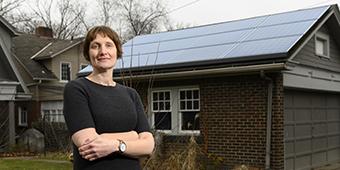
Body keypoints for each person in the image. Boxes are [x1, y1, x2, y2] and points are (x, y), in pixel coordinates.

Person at [63, 26, 154, 170]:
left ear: (117, 51)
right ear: (88, 53)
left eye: (109, 45)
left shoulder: (131, 94)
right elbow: (89, 144)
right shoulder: (77, 89)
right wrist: (134, 135)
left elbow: (148, 145)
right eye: (95, 46)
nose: (103, 52)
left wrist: (115, 144)